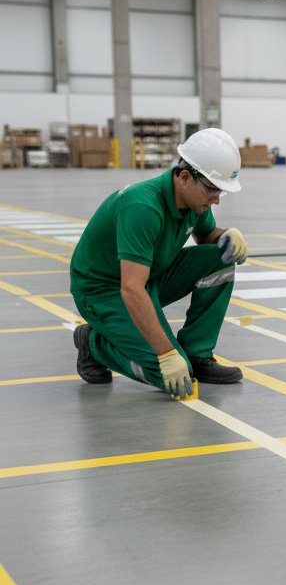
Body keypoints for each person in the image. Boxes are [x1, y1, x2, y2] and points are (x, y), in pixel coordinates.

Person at [70, 127, 249, 398]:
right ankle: (93, 343)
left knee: (220, 258)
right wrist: (165, 354)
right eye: (213, 190)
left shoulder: (193, 202)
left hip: (148, 277)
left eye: (221, 193)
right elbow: (130, 289)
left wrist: (226, 237)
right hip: (104, 292)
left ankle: (198, 352)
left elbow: (206, 237)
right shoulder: (143, 208)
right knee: (172, 376)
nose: (216, 200)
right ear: (185, 177)